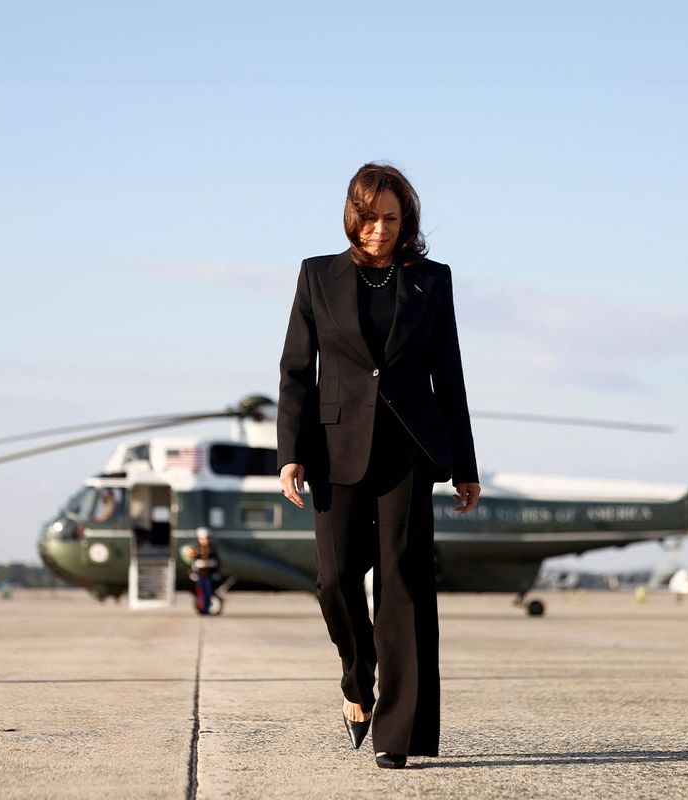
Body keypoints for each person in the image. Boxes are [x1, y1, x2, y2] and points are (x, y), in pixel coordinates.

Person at [277, 162, 481, 770]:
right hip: (335, 450)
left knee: (404, 587)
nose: (379, 231)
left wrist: (464, 463)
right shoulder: (317, 277)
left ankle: (398, 733)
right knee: (335, 581)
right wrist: (290, 453)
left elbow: (449, 375)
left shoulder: (431, 281)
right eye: (370, 218)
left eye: (391, 219)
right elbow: (295, 371)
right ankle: (355, 676)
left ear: (406, 219)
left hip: (408, 453)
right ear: (352, 215)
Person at [189, 530, 220, 615]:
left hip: (208, 575)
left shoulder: (212, 549)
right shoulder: (196, 549)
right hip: (200, 575)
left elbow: (216, 562)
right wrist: (192, 572)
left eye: (205, 539)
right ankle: (202, 609)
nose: (204, 541)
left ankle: (206, 609)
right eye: (202, 539)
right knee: (200, 593)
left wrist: (215, 572)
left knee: (208, 593)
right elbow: (192, 562)